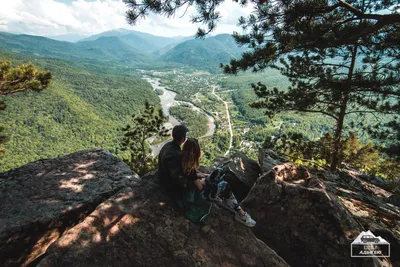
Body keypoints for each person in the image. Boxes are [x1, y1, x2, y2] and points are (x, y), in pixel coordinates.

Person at [181, 138, 256, 227]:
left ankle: (229, 200)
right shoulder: (189, 169)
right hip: (199, 195)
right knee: (224, 185)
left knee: (219, 171)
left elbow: (190, 177)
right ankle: (241, 215)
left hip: (194, 186)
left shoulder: (183, 161)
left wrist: (200, 176)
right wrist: (205, 182)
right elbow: (200, 188)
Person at [158, 124, 189, 201]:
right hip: (168, 185)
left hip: (162, 175)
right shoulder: (176, 154)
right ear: (183, 138)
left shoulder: (167, 145)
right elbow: (176, 177)